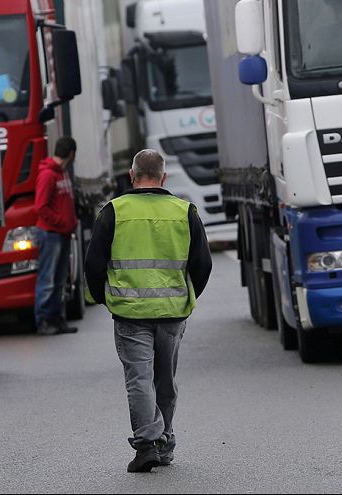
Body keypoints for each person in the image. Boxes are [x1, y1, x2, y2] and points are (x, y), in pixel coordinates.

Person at [84, 149, 212, 473]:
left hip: (130, 312)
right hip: (172, 312)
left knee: (139, 378)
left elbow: (93, 263)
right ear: (163, 177)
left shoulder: (114, 212)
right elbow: (203, 264)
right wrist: (185, 295)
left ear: (132, 175)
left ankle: (146, 445)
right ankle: (164, 444)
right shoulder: (185, 212)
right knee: (165, 380)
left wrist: (105, 298)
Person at [34, 137, 79, 335]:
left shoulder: (62, 173)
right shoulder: (48, 175)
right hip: (51, 234)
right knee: (48, 280)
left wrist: (70, 222)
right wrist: (60, 222)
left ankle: (57, 318)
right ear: (71, 154)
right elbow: (41, 206)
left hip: (62, 233)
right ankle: (44, 320)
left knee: (60, 280)